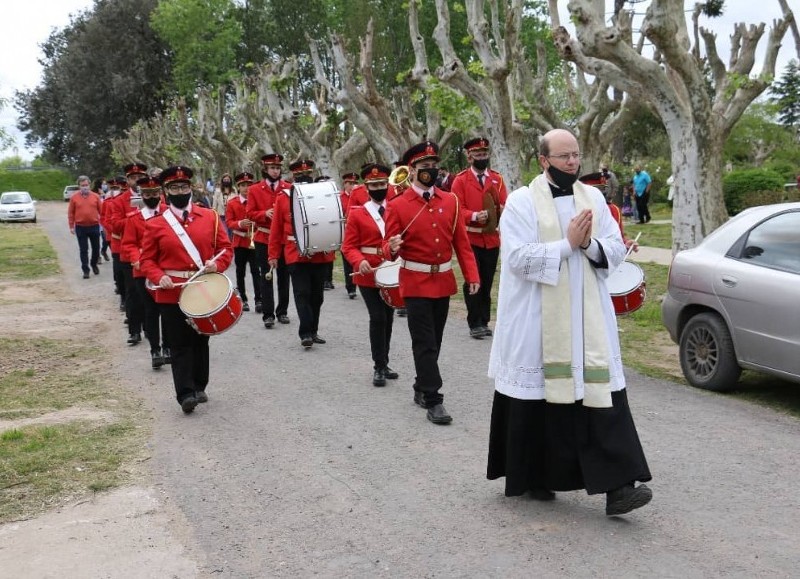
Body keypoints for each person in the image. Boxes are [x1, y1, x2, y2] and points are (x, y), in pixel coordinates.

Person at [486, 128, 652, 516]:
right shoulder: (522, 202)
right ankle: (537, 477)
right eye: (565, 157)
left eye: (577, 155)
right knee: (541, 399)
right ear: (544, 161)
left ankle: (620, 488)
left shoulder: (593, 197)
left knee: (601, 395)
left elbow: (614, 246)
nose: (574, 163)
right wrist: (567, 244)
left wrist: (590, 245)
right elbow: (517, 259)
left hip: (588, 319)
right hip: (538, 319)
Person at [385, 141, 480, 424]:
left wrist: (472, 275)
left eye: (433, 166)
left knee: (434, 341)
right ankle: (434, 398)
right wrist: (391, 246)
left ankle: (420, 386)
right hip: (414, 282)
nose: (430, 171)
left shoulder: (450, 200)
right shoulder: (397, 205)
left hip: (443, 280)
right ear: (411, 170)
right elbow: (387, 249)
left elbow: (461, 243)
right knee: (424, 342)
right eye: (424, 167)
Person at [140, 166, 232, 414]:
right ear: (165, 192)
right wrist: (159, 276)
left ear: (190, 188)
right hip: (172, 292)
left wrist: (217, 264)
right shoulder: (155, 224)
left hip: (202, 287)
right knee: (179, 343)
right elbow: (147, 260)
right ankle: (185, 393)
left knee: (201, 339)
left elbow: (226, 250)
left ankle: (200, 385)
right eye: (174, 188)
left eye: (184, 187)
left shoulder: (210, 217)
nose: (180, 191)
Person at [341, 164, 399, 387]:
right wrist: (359, 261)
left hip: (391, 270)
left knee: (389, 317)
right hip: (367, 273)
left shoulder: (396, 209)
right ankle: (378, 366)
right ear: (366, 187)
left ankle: (385, 362)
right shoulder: (357, 213)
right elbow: (348, 247)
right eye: (374, 185)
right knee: (378, 317)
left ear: (387, 185)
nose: (378, 188)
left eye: (382, 184)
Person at [269, 159, 335, 349]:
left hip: (319, 253)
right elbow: (276, 230)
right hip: (295, 253)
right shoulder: (284, 197)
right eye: (299, 175)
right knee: (302, 292)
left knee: (318, 296)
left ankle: (313, 330)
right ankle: (305, 333)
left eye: (307, 174)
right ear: (293, 177)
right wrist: (273, 255)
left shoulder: (322, 195)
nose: (304, 178)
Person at [451, 137, 508, 339]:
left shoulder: (497, 179)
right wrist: (475, 216)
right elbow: (457, 208)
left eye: (484, 154)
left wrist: (500, 209)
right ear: (469, 157)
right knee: (473, 281)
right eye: (477, 154)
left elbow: (504, 203)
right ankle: (474, 322)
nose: (482, 157)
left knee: (488, 279)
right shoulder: (460, 180)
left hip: (491, 238)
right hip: (471, 239)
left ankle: (484, 320)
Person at [120, 176, 170, 369]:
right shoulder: (134, 218)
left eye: (155, 193)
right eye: (147, 193)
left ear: (160, 193)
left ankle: (167, 347)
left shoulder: (168, 213)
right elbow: (128, 244)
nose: (151, 196)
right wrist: (136, 258)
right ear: (142, 195)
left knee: (167, 311)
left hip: (165, 269)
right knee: (150, 310)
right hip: (143, 272)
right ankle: (155, 350)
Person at [248, 153, 292, 327]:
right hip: (263, 237)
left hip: (283, 239)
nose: (275, 171)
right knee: (266, 275)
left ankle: (282, 311)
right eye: (272, 168)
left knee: (284, 276)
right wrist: (264, 213)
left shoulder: (288, 188)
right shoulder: (254, 189)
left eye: (278, 168)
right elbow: (249, 213)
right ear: (265, 170)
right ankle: (268, 314)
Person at [225, 172, 261, 312]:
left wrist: (256, 221)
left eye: (249, 185)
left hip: (254, 240)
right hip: (240, 241)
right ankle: (243, 299)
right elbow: (228, 222)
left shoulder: (257, 200)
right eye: (243, 185)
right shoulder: (232, 203)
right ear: (238, 187)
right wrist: (240, 223)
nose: (247, 188)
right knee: (240, 272)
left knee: (256, 271)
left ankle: (259, 299)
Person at [68, 175, 103, 279]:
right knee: (83, 249)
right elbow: (71, 213)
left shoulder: (96, 196)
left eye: (87, 185)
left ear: (89, 185)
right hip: (80, 227)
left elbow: (102, 212)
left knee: (96, 248)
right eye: (82, 185)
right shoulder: (74, 198)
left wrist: (104, 225)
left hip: (94, 226)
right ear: (79, 186)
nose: (85, 187)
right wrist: (71, 226)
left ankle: (93, 264)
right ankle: (85, 270)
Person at [339, 172, 360, 299]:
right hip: (345, 232)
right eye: (350, 183)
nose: (352, 186)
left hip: (359, 232)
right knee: (347, 261)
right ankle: (350, 287)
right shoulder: (339, 197)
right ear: (345, 184)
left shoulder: (361, 196)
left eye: (354, 183)